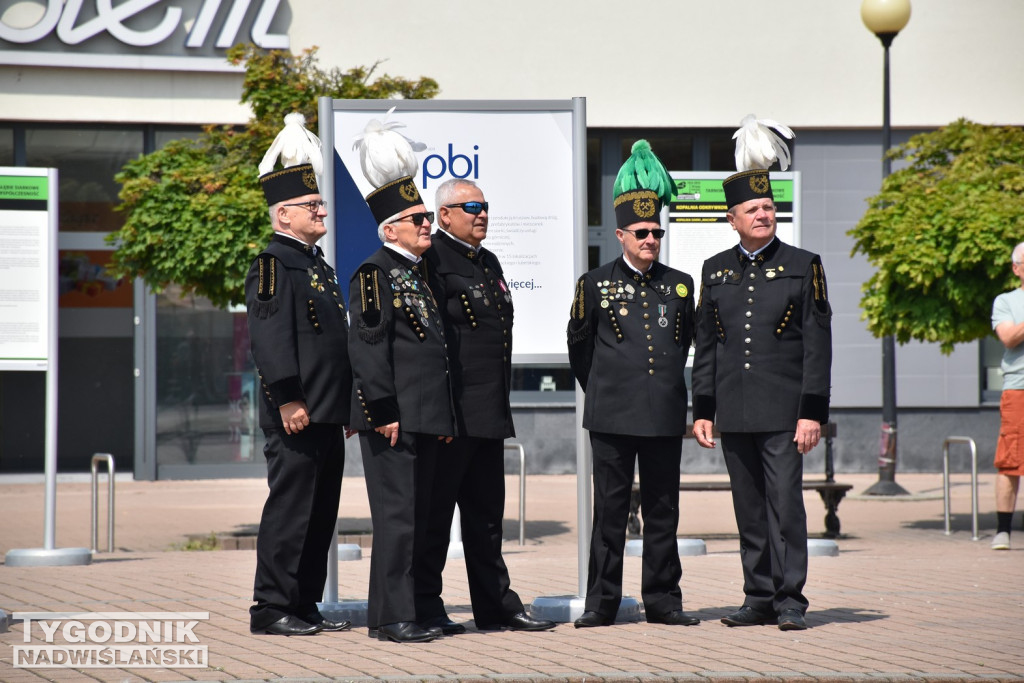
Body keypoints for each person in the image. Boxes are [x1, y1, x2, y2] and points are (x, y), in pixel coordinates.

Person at [691, 116, 831, 632]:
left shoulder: (803, 264)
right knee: (748, 509)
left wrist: (811, 412)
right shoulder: (716, 269)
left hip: (782, 410)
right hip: (734, 408)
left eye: (769, 207)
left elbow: (818, 343)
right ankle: (759, 595)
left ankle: (791, 598)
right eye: (752, 209)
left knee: (785, 508)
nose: (763, 215)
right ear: (733, 219)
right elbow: (707, 343)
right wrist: (702, 409)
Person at [566, 140, 699, 629]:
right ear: (620, 234)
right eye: (641, 232)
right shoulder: (595, 283)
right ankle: (602, 602)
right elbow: (579, 347)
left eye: (657, 232)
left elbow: (687, 344)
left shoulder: (680, 284)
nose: (650, 240)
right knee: (611, 513)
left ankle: (664, 600)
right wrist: (604, 386)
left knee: (663, 511)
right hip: (612, 415)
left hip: (663, 414)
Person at [415, 178, 555, 634]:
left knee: (486, 521)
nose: (481, 213)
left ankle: (496, 607)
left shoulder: (487, 260)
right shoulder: (430, 259)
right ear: (444, 216)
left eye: (485, 206)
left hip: (488, 413)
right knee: (435, 520)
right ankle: (425, 606)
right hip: (451, 416)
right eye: (470, 206)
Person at [348, 113, 454, 643]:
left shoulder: (418, 274)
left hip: (426, 415)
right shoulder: (375, 273)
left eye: (426, 218)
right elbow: (369, 349)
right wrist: (382, 409)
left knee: (427, 518)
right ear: (390, 228)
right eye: (416, 220)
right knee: (399, 521)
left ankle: (416, 608)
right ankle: (391, 618)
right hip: (393, 419)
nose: (425, 226)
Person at [246, 118, 353, 636]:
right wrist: (287, 399)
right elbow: (270, 340)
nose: (322, 211)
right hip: (297, 413)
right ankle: (270, 608)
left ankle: (304, 604)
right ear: (283, 213)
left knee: (320, 516)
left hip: (326, 411)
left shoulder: (317, 266)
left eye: (321, 204)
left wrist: (351, 407)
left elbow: (335, 346)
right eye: (312, 206)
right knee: (291, 513)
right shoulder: (272, 263)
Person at [990, 241, 1024, 551]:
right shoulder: (1006, 301)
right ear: (1016, 269)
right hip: (1019, 389)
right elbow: (1010, 337)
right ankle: (1003, 531)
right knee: (1011, 459)